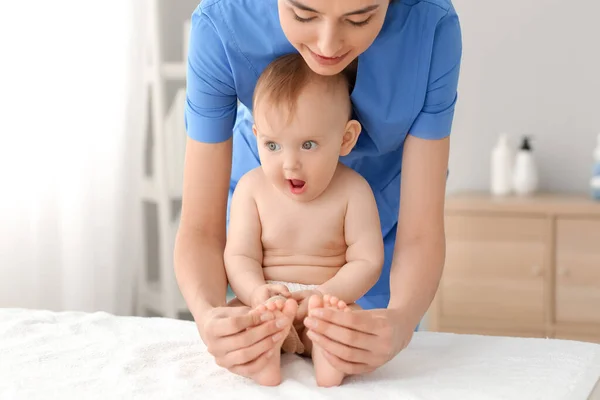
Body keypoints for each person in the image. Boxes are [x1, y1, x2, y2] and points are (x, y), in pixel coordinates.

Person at [174, 0, 462, 381]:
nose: (328, 46)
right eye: (304, 14)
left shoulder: (429, 27)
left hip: (374, 240)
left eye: (360, 18)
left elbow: (421, 232)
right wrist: (210, 316)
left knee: (352, 344)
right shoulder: (223, 23)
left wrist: (400, 321)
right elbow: (200, 227)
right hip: (267, 242)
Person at [223, 53, 384, 387]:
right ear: (256, 135)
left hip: (325, 303)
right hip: (268, 303)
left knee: (346, 328)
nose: (289, 164)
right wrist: (256, 293)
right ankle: (262, 358)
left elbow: (367, 260)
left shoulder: (353, 191)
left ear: (345, 139)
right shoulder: (252, 189)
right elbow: (240, 256)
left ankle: (330, 361)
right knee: (239, 321)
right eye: (273, 145)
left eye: (308, 145)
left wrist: (325, 296)